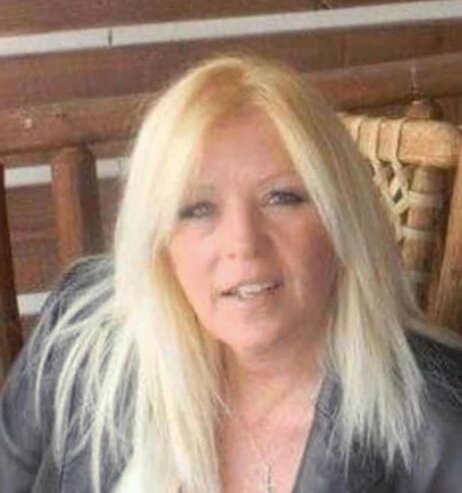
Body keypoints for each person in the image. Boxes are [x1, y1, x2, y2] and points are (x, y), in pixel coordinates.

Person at [1, 54, 462, 493]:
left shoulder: (439, 427)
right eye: (197, 208)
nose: (243, 243)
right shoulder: (81, 332)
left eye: (282, 198)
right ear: (159, 244)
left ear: (342, 221)